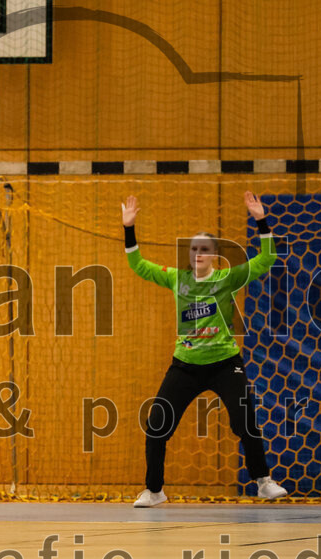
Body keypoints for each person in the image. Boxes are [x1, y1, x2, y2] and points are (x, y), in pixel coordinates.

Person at [121, 192, 289, 507]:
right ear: (189, 253)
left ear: (214, 255)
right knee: (157, 424)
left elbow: (267, 259)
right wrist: (129, 228)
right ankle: (154, 490)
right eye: (194, 249)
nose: (199, 253)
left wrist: (261, 220)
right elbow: (138, 265)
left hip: (225, 364)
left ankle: (263, 481)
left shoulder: (227, 278)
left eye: (205, 249)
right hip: (185, 365)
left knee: (245, 421)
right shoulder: (176, 279)